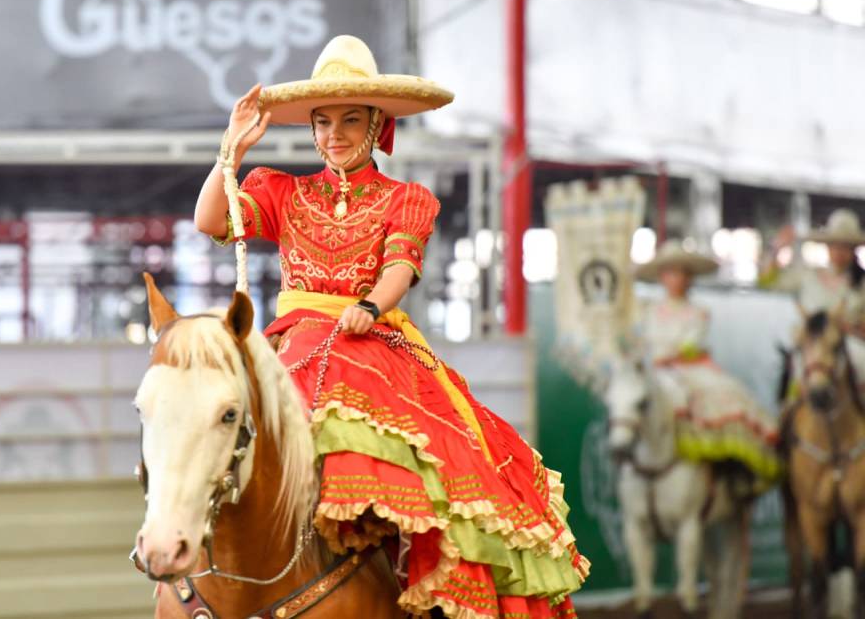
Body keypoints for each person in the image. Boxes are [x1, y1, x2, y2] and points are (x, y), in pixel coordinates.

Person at [194, 35, 587, 618]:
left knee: (438, 468)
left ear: (377, 125)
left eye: (351, 120)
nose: (335, 134)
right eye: (324, 122)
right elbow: (209, 220)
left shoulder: (406, 199)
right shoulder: (284, 192)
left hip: (368, 342)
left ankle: (404, 586)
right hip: (293, 345)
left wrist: (371, 307)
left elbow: (400, 265)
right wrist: (230, 150)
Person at [633, 241, 779, 486]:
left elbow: (689, 344)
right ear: (661, 277)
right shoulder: (647, 310)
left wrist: (667, 354)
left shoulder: (697, 311)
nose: (676, 279)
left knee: (728, 394)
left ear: (689, 278)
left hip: (689, 368)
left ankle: (728, 474)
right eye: (670, 273)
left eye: (681, 273)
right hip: (656, 371)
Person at [761, 209, 865, 397]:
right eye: (835, 246)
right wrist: (776, 250)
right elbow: (767, 282)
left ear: (853, 251)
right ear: (827, 247)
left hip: (849, 345)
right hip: (809, 343)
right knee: (798, 373)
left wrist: (850, 328)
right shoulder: (809, 275)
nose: (839, 252)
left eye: (845, 247)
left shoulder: (861, 283)